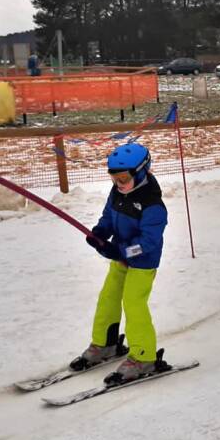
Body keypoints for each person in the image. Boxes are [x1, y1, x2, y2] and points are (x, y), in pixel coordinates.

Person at [72, 142, 168, 382]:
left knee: (134, 305)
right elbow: (108, 216)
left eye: (124, 178)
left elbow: (148, 242)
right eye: (114, 178)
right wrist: (100, 232)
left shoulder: (153, 206)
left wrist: (120, 251)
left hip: (142, 263)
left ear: (142, 171)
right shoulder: (117, 192)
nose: (119, 184)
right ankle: (106, 344)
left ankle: (144, 357)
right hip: (120, 257)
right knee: (108, 298)